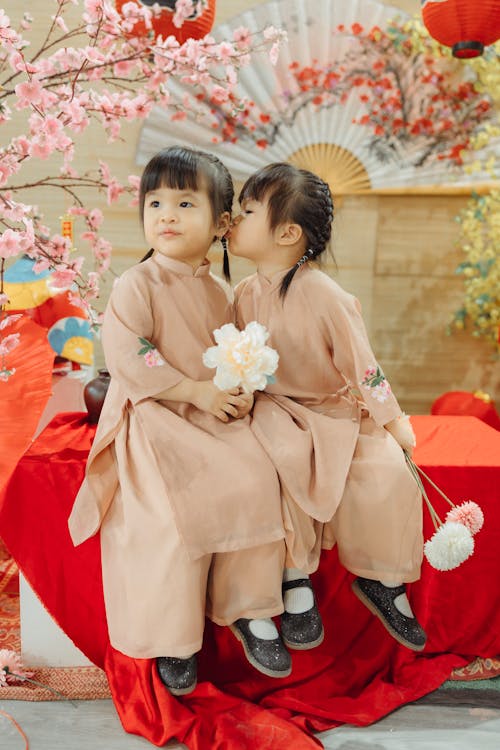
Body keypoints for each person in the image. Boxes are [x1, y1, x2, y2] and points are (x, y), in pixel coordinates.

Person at [68, 147, 292, 697]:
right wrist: (194, 391)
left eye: (185, 203)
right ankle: (173, 637)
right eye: (156, 202)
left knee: (258, 479)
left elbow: (238, 351)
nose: (166, 214)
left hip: (211, 415)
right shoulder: (137, 284)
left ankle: (250, 608)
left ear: (220, 224)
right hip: (157, 415)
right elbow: (129, 352)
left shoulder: (222, 290)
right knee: (167, 517)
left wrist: (237, 392)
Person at [229, 162, 426, 654]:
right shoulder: (242, 293)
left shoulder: (324, 294)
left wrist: (393, 420)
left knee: (387, 475)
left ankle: (384, 580)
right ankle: (295, 581)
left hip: (328, 409)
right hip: (271, 408)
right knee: (284, 464)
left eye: (248, 210)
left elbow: (364, 366)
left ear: (288, 232)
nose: (233, 218)